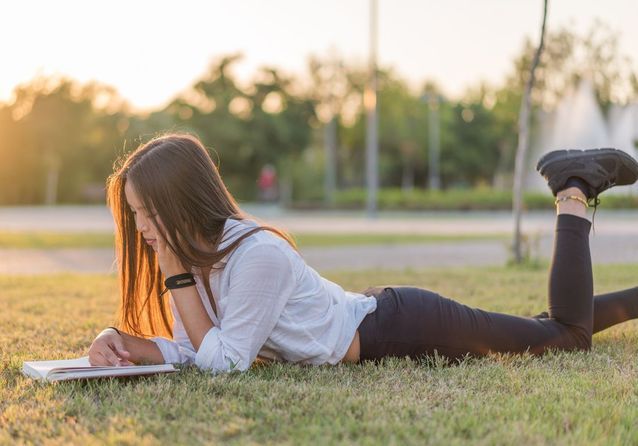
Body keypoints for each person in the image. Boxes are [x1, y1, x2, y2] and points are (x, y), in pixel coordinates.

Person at [88, 134, 638, 372]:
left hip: (400, 328)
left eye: (145, 212)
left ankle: (572, 187)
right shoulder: (207, 259)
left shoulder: (254, 256)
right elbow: (198, 347)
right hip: (383, 319)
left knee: (566, 337)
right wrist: (128, 344)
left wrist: (175, 275)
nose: (141, 229)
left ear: (179, 203)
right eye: (134, 215)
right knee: (547, 327)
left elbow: (224, 364)